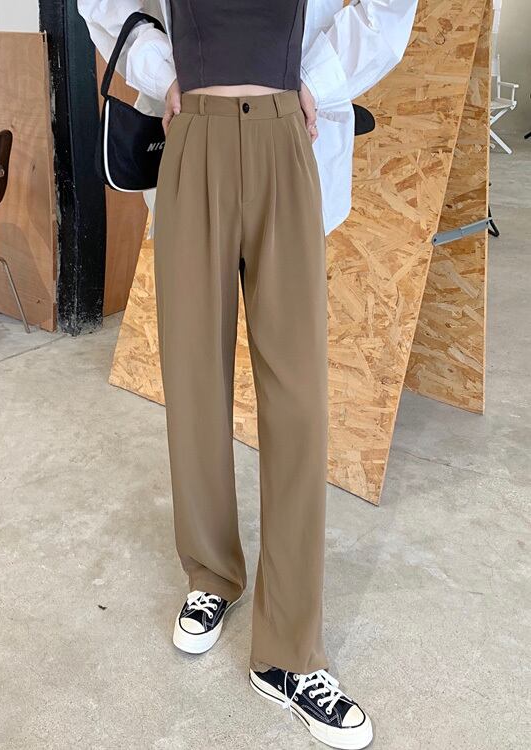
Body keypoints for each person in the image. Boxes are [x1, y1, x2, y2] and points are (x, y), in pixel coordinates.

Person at [78, 2, 418, 748]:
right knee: (192, 379)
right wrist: (159, 71)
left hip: (288, 128)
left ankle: (290, 653)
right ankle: (210, 574)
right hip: (192, 132)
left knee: (299, 401)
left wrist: (318, 78)